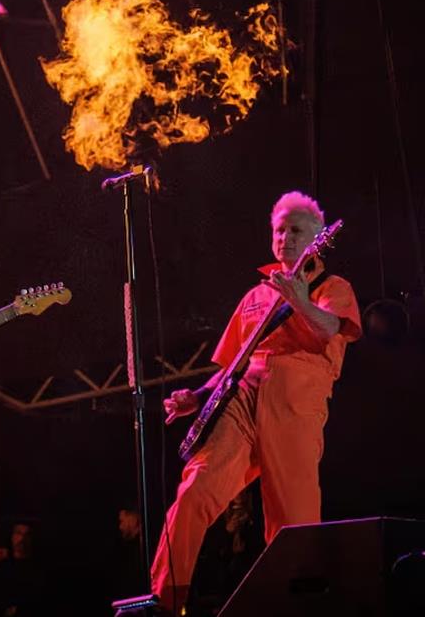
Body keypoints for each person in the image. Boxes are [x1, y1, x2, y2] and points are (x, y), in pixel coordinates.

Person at [152, 191, 362, 610]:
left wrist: (298, 299)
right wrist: (196, 396)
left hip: (294, 410)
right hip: (243, 403)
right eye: (279, 230)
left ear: (317, 239)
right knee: (194, 493)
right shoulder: (255, 296)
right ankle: (163, 601)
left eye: (295, 230)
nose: (285, 237)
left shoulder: (333, 287)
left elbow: (326, 329)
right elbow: (230, 366)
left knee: (293, 525)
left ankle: (297, 607)